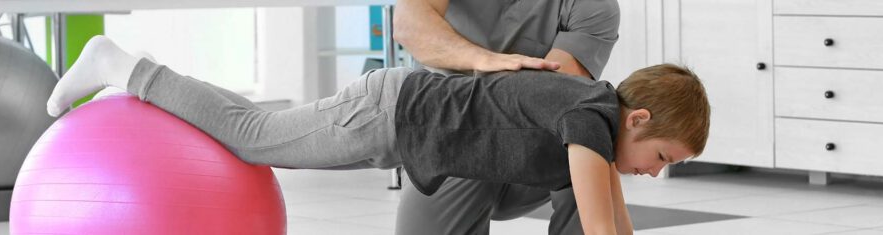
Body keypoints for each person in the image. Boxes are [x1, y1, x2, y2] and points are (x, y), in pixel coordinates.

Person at [45, 36, 709, 234]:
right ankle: (120, 65)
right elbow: (601, 228)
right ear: (638, 119)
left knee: (258, 130)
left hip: (401, 120)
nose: (654, 172)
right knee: (252, 137)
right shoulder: (591, 119)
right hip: (392, 112)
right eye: (660, 158)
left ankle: (154, 81)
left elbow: (615, 225)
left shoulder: (594, 112)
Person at [393, 0, 622, 233]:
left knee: (589, 136)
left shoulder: (594, 6)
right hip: (453, 137)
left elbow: (555, 96)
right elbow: (407, 25)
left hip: (532, 146)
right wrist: (481, 59)